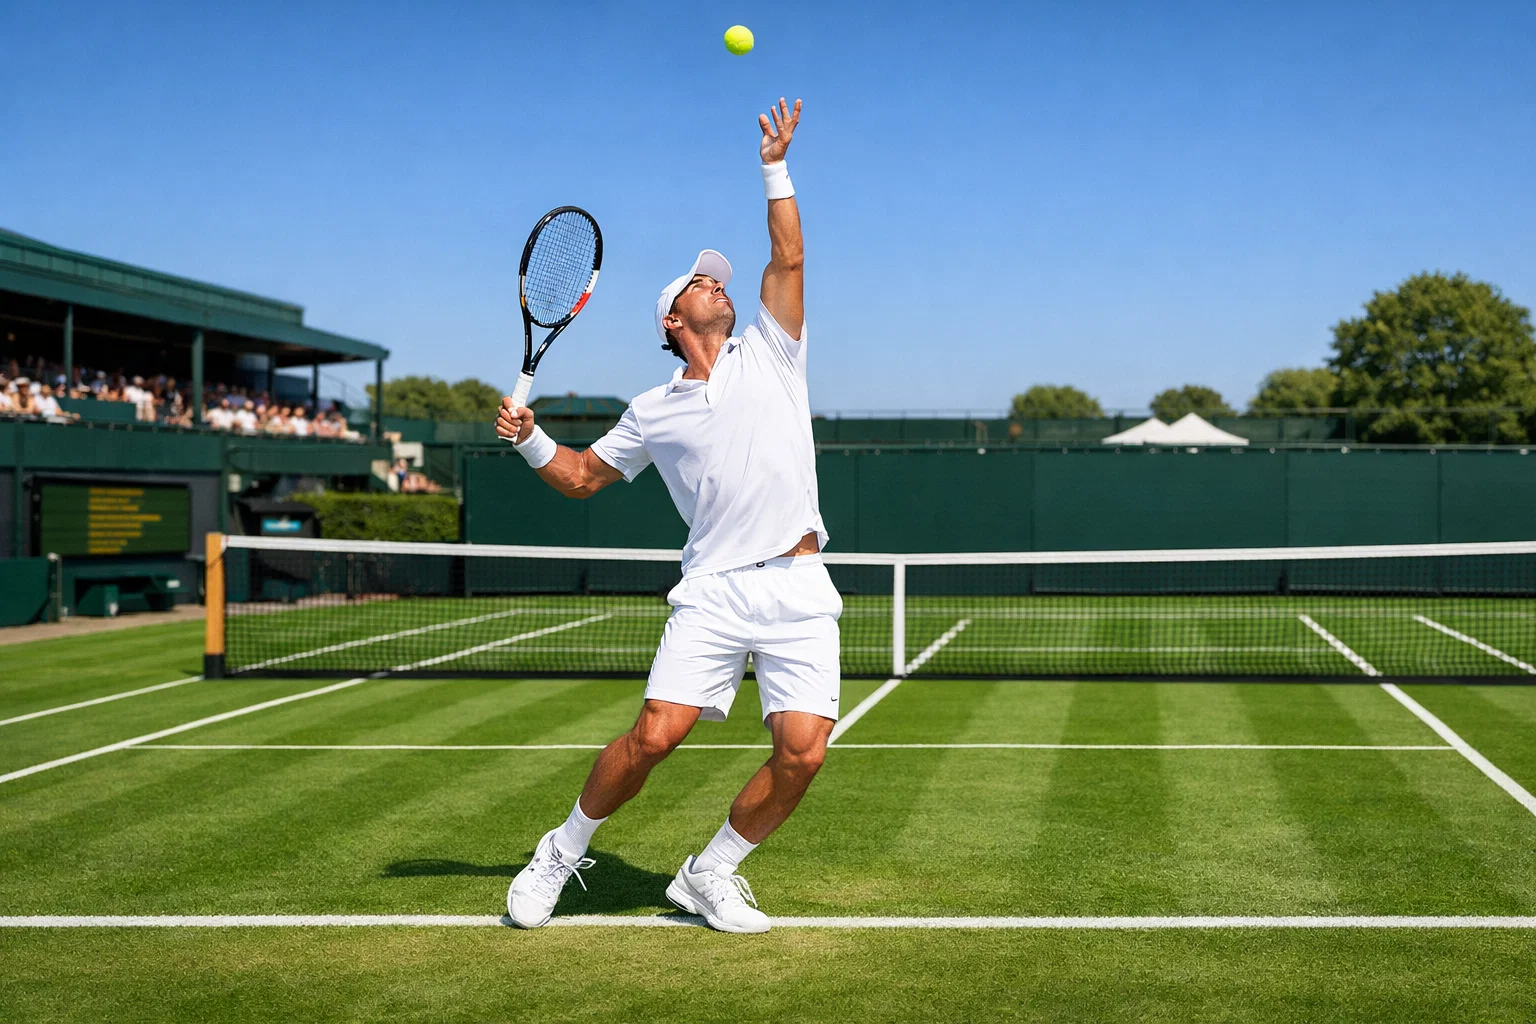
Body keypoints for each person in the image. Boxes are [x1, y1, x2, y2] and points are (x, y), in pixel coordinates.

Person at [495, 97, 826, 935]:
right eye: (698, 281)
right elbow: (582, 477)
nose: (717, 282)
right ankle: (560, 851)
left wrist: (775, 167)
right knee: (654, 736)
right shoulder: (651, 409)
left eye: (719, 278)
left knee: (803, 752)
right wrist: (532, 440)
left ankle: (709, 874)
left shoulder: (774, 351)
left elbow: (788, 255)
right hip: (713, 589)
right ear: (674, 321)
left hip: (797, 581)